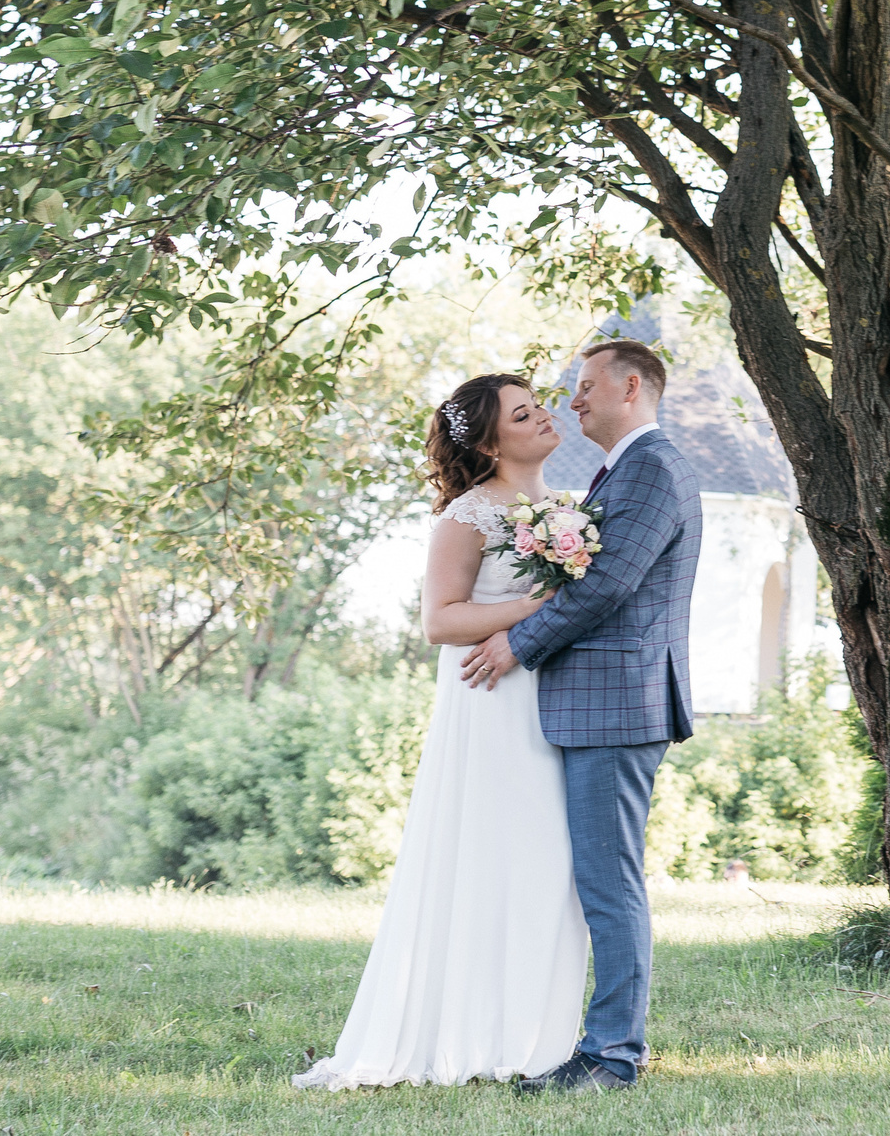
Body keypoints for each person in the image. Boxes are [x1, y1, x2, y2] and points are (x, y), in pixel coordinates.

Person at [291, 373, 588, 1089]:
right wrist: (531, 605)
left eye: (538, 403)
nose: (544, 415)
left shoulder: (570, 508)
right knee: (491, 858)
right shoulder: (469, 514)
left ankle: (533, 1037)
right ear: (489, 442)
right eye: (524, 413)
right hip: (491, 704)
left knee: (550, 869)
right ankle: (463, 1034)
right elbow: (440, 621)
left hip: (557, 702)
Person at [456, 338, 701, 1096]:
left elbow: (608, 587)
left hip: (618, 704)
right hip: (600, 702)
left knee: (608, 879)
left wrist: (514, 645)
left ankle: (613, 1056)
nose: (574, 399)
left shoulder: (652, 468)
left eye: (585, 385)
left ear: (631, 385)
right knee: (599, 876)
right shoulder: (618, 470)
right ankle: (596, 1042)